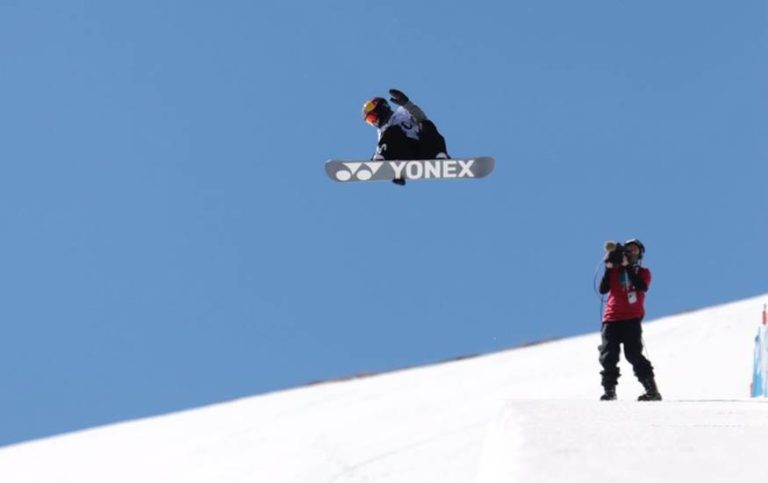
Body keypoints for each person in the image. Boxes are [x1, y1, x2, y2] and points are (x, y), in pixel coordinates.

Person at [598, 239, 662, 401]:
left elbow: (641, 286)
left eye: (635, 250)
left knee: (633, 354)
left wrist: (627, 267)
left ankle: (652, 391)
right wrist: (608, 268)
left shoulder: (643, 272)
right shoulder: (615, 271)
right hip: (611, 318)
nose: (632, 252)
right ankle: (609, 391)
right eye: (629, 249)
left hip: (631, 318)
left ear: (640, 254)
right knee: (608, 356)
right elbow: (603, 289)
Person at [361, 89, 449, 185]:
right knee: (391, 133)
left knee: (427, 124)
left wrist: (407, 104)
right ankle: (395, 169)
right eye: (370, 121)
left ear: (381, 109)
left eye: (372, 118)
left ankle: (440, 156)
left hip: (424, 149)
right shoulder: (383, 131)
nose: (374, 122)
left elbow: (421, 117)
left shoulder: (402, 111)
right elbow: (381, 147)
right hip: (405, 154)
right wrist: (372, 162)